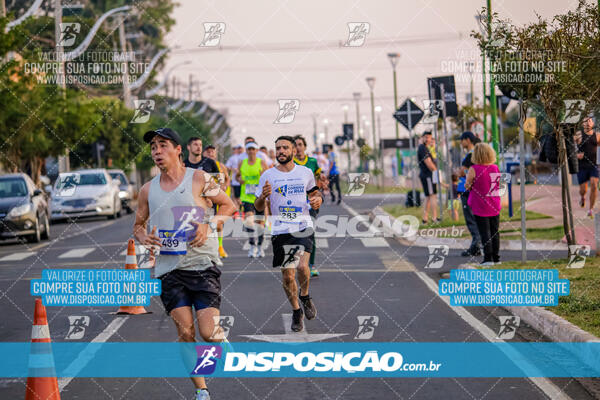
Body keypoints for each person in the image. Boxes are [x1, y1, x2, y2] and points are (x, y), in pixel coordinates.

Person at [134, 128, 236, 400]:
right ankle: (201, 390)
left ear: (178, 150)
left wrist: (208, 224)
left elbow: (229, 206)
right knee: (185, 331)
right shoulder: (147, 190)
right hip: (169, 270)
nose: (157, 151)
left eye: (163, 145)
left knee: (207, 332)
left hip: (202, 263)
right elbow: (138, 226)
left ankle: (221, 341)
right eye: (153, 147)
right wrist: (146, 237)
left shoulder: (200, 178)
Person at [254, 136, 322, 332]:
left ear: (293, 150)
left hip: (302, 225)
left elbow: (315, 194)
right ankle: (296, 311)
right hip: (281, 229)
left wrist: (317, 201)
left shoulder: (305, 172)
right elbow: (258, 206)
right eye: (278, 148)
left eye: (285, 147)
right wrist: (263, 196)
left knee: (302, 266)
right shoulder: (268, 175)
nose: (281, 151)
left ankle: (306, 295)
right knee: (287, 276)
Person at [465, 142, 502, 266]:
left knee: (484, 232)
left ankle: (487, 259)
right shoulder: (495, 168)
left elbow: (467, 185)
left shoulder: (473, 169)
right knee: (495, 231)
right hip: (494, 204)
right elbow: (498, 185)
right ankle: (496, 258)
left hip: (480, 205)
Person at [294, 135, 323, 277]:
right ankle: (297, 261)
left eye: (300, 144)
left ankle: (311, 264)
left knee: (310, 232)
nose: (298, 147)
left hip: (310, 203)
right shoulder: (290, 163)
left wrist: (319, 189)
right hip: (294, 204)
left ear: (305, 146)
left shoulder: (312, 161)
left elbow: (319, 177)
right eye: (296, 145)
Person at [237, 142, 269, 257]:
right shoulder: (242, 162)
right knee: (249, 221)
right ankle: (252, 246)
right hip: (246, 196)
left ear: (257, 150)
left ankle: (260, 246)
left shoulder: (262, 163)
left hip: (259, 197)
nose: (251, 151)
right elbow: (237, 175)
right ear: (246, 151)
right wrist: (239, 179)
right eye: (249, 149)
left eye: (253, 149)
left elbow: (268, 177)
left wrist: (263, 177)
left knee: (260, 223)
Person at [457, 131, 482, 257]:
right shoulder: (476, 154)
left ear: (467, 140)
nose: (461, 143)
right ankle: (477, 245)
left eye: (462, 140)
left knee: (471, 219)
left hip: (467, 191)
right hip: (471, 190)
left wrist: (459, 172)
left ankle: (476, 245)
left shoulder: (471, 155)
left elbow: (462, 172)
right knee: (474, 218)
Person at [204, 144, 231, 258]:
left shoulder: (221, 166)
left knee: (218, 223)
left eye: (212, 152)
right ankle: (207, 248)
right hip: (205, 199)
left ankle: (220, 246)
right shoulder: (201, 165)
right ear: (204, 153)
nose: (211, 154)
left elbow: (226, 178)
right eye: (208, 152)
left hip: (217, 198)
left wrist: (223, 186)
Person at [575, 115, 600, 218]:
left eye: (589, 121)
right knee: (583, 190)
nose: (587, 123)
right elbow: (569, 148)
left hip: (594, 165)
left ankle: (590, 209)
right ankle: (582, 197)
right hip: (582, 167)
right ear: (582, 124)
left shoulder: (597, 135)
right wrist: (576, 155)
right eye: (585, 121)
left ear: (592, 124)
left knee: (594, 185)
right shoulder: (578, 135)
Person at [417, 131, 438, 224]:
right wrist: (437, 173)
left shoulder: (426, 148)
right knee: (432, 196)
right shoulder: (422, 148)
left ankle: (425, 219)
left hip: (428, 175)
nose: (427, 139)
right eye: (425, 137)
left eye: (429, 137)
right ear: (422, 138)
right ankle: (434, 218)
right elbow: (429, 163)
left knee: (428, 197)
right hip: (428, 175)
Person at [226, 145, 244, 218]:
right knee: (236, 198)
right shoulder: (233, 158)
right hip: (235, 182)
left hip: (245, 182)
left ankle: (242, 211)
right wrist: (233, 169)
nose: (239, 150)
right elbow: (227, 166)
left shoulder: (245, 157)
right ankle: (237, 213)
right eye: (238, 148)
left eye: (241, 148)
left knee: (242, 198)